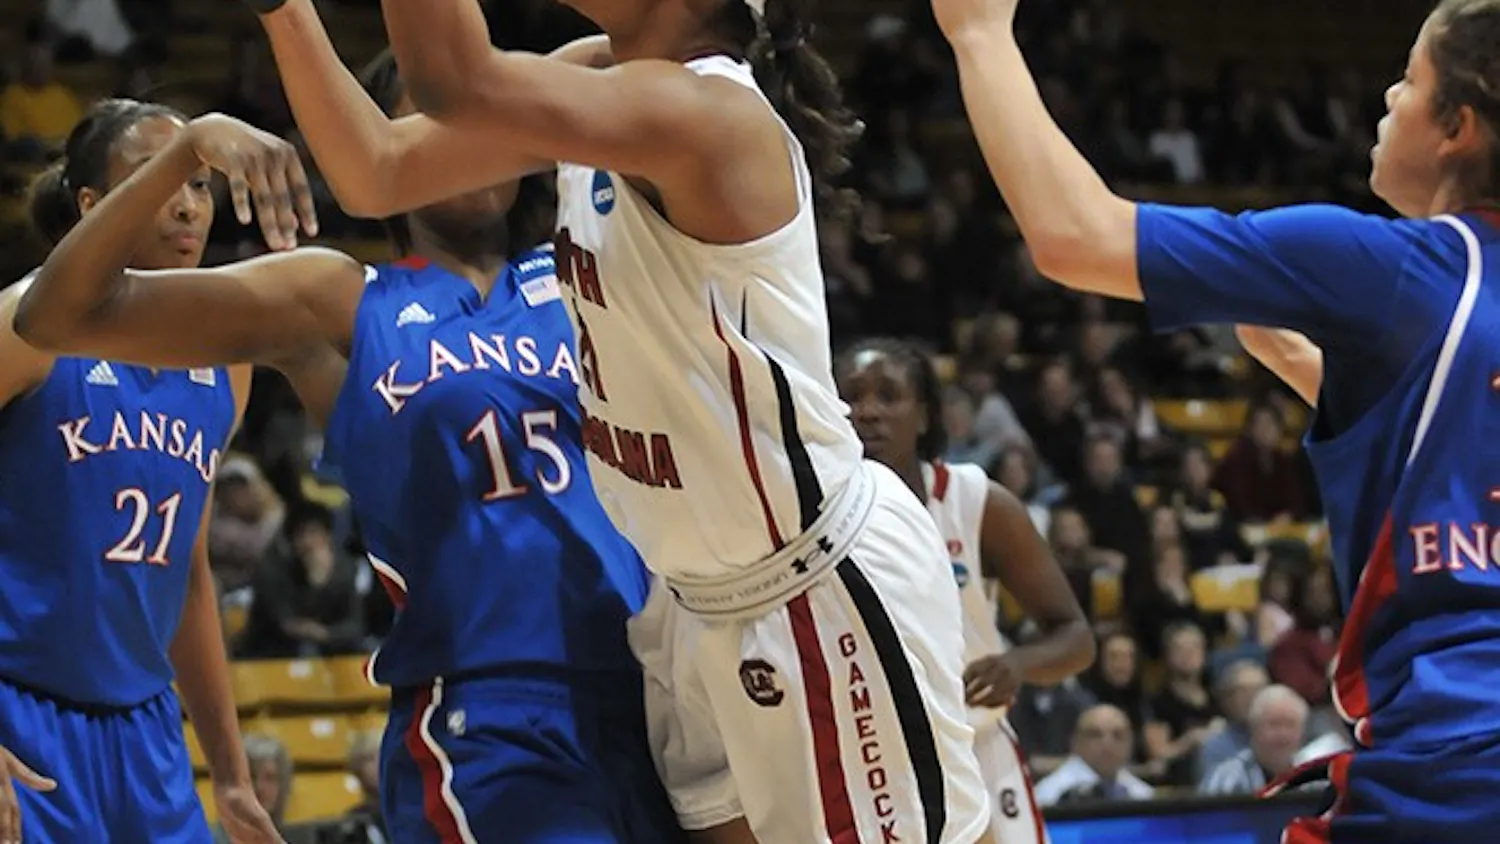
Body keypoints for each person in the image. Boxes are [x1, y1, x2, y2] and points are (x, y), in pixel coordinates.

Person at [243, 0, 999, 840]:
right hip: (683, 609)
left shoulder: (704, 113)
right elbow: (377, 169)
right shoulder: (606, 79)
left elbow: (453, 82)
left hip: (805, 581)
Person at [12, 51, 685, 844]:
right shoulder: (343, 299)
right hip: (489, 711)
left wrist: (228, 774)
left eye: (485, 113)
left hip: (662, 686)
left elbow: (184, 573)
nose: (468, 135)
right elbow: (54, 313)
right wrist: (193, 146)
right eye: (433, 117)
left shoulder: (593, 269)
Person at [934, 0, 1500, 838]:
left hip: (1456, 764)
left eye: (1408, 80)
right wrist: (1318, 373)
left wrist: (976, 31)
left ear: (1456, 125)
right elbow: (1455, 442)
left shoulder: (1390, 270)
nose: (1386, 96)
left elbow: (1075, 234)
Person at [0, 99, 278, 842]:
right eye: (162, 179)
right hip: (20, 713)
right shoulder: (24, 326)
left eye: (198, 185)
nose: (186, 204)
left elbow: (186, 574)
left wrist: (230, 771)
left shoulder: (227, 364)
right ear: (94, 206)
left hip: (147, 732)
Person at [835, 337, 1095, 844]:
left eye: (889, 396)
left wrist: (1017, 665)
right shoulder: (811, 510)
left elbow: (1076, 638)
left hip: (975, 747)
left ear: (926, 415)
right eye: (850, 397)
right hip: (872, 760)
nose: (866, 411)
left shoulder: (976, 502)